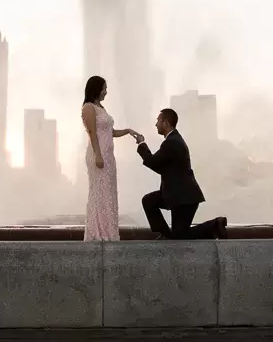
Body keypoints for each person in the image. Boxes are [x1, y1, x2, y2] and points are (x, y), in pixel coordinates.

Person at [137, 108, 227, 239]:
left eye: (158, 121)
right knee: (149, 201)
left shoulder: (171, 142)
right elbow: (160, 167)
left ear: (166, 123)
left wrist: (141, 143)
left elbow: (153, 162)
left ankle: (214, 225)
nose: (156, 124)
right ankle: (167, 236)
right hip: (177, 195)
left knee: (180, 236)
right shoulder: (173, 140)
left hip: (184, 197)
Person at [81, 75, 137, 242]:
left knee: (108, 193)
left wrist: (127, 131)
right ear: (96, 89)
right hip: (98, 155)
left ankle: (108, 231)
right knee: (99, 192)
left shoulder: (101, 108)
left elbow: (110, 133)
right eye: (104, 88)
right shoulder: (89, 107)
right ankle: (97, 232)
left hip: (108, 156)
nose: (106, 92)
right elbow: (92, 133)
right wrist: (98, 155)